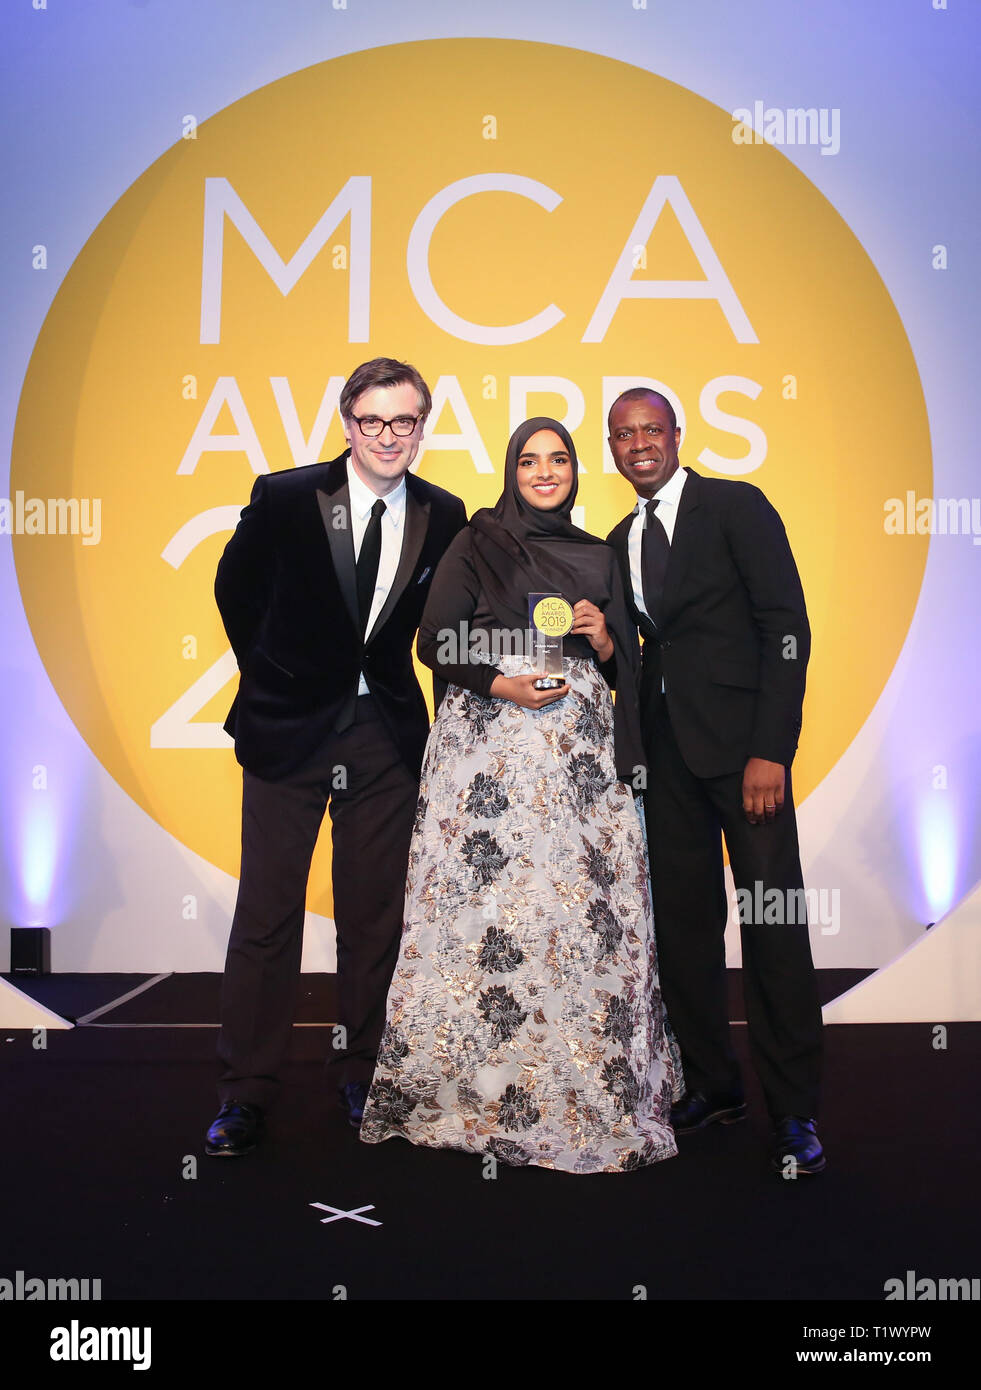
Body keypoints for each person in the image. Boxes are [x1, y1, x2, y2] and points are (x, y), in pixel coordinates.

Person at [360, 416, 680, 1174]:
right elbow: (435, 641)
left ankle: (583, 1089)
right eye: (530, 461)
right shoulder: (476, 542)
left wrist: (602, 641)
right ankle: (471, 1090)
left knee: (575, 919)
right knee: (484, 921)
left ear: (574, 469)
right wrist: (500, 678)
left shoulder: (599, 554)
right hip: (488, 756)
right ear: (512, 469)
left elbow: (624, 663)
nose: (544, 472)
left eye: (558, 459)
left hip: (577, 765)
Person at [205, 357, 467, 1156]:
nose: (388, 436)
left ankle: (364, 1074)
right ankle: (245, 1092)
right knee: (267, 915)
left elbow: (444, 619)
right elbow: (234, 593)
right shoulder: (285, 495)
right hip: (287, 730)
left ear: (423, 425)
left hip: (384, 737)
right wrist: (279, 676)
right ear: (346, 423)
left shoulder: (443, 511)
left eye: (404, 421)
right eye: (372, 421)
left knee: (372, 918)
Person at [605, 387, 824, 1176]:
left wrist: (772, 748)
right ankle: (713, 1084)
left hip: (745, 761)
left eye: (650, 430)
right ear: (612, 447)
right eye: (623, 435)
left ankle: (794, 1110)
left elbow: (786, 626)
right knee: (684, 931)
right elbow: (635, 655)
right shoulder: (616, 538)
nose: (638, 444)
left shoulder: (735, 506)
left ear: (674, 434)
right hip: (665, 768)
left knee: (773, 932)